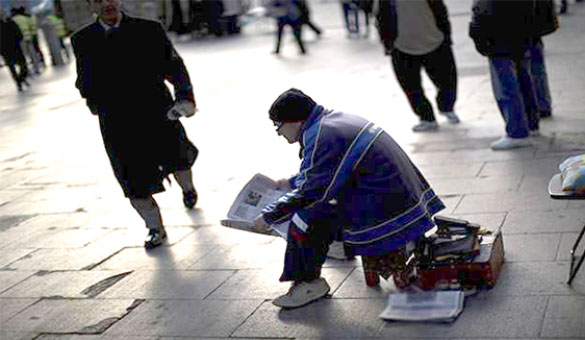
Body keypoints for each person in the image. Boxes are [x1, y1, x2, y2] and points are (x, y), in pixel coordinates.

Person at [253, 89, 445, 308]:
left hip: (389, 213)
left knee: (304, 218)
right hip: (404, 201)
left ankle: (308, 283)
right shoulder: (331, 121)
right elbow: (328, 170)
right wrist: (289, 183)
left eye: (277, 125)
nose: (278, 132)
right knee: (311, 206)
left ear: (293, 120)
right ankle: (333, 247)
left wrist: (268, 216)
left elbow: (313, 191)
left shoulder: (320, 135)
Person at [71, 0, 199, 249]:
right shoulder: (82, 39)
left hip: (157, 111)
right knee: (131, 177)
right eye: (98, 0)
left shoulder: (148, 29)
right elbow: (83, 79)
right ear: (91, 5)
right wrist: (93, 102)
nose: (107, 3)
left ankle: (188, 188)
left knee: (178, 158)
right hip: (117, 120)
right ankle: (154, 227)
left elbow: (174, 65)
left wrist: (184, 98)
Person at [469, 0, 556, 150]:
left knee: (506, 86)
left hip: (498, 36)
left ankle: (517, 133)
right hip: (520, 33)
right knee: (523, 80)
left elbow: (484, 8)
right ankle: (531, 124)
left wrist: (477, 34)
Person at [376, 0, 460, 132]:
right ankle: (426, 117)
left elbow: (440, 9)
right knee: (410, 86)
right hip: (401, 46)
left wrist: (446, 35)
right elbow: (381, 15)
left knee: (447, 80)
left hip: (434, 40)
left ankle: (446, 107)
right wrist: (387, 43)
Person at [1, 8, 29, 91]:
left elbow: (19, 33)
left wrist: (19, 39)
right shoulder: (9, 23)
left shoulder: (11, 22)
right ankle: (18, 83)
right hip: (6, 50)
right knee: (13, 68)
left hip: (15, 47)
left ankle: (20, 79)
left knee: (23, 66)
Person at [11, 7, 41, 75]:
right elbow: (31, 27)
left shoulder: (13, 20)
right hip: (29, 38)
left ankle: (28, 72)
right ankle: (37, 69)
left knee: (24, 56)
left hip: (21, 40)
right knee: (32, 54)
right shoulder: (25, 18)